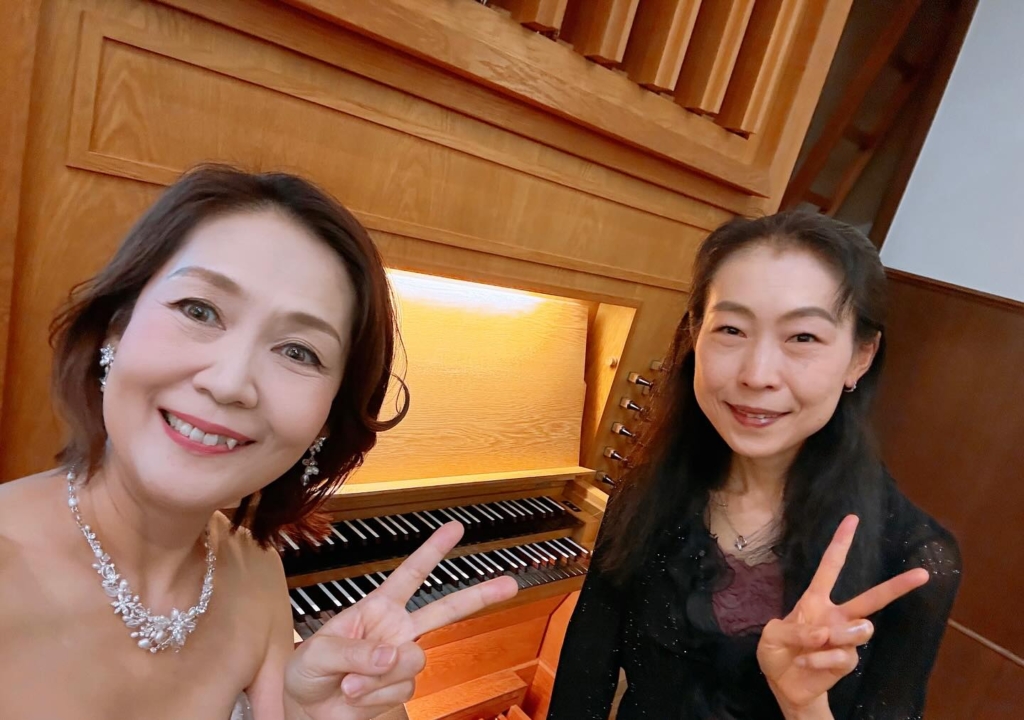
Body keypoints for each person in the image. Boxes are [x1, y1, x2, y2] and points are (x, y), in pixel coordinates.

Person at [0, 165, 518, 720]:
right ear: (115, 329)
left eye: (298, 351)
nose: (229, 383)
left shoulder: (256, 571)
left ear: (327, 419)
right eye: (199, 311)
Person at [547, 211, 961, 720]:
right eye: (731, 329)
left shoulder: (914, 561)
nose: (757, 374)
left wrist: (804, 707)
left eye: (802, 337)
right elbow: (581, 685)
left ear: (861, 356)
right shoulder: (646, 494)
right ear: (695, 333)